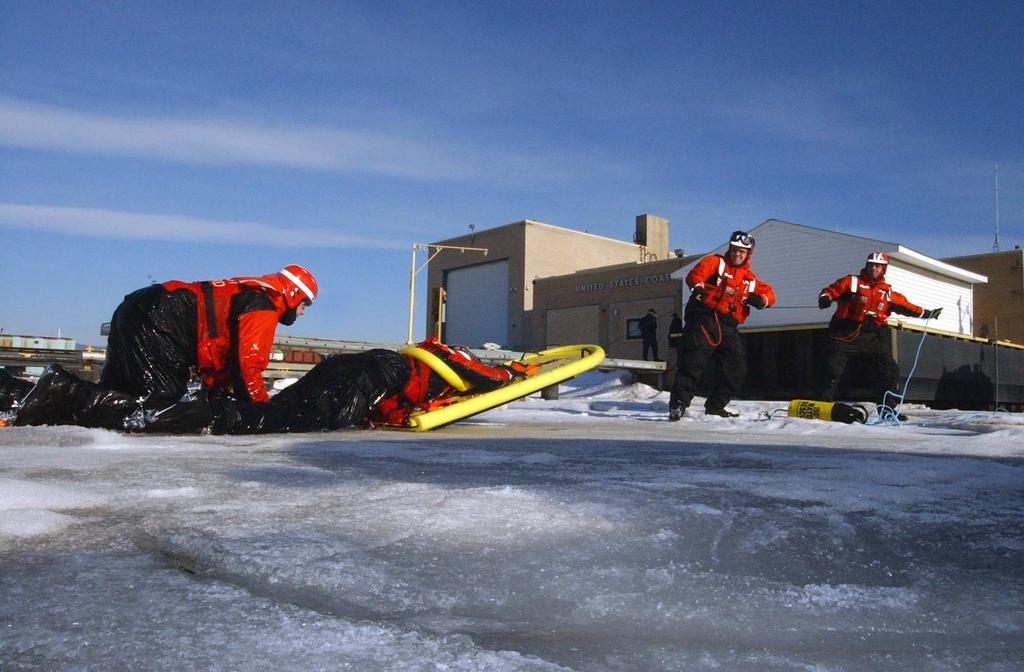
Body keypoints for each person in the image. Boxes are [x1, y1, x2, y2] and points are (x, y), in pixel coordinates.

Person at [100, 264, 318, 407]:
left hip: (143, 305)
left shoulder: (249, 294)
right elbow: (248, 365)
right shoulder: (264, 305)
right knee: (158, 399)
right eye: (305, 304)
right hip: (160, 316)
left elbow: (223, 353)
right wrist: (262, 408)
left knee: (117, 389)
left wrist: (218, 391)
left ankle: (76, 402)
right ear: (293, 294)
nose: (303, 311)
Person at [669, 231, 775, 420]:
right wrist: (699, 290)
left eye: (742, 251)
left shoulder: (749, 279)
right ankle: (678, 404)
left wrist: (761, 300)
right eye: (735, 250)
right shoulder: (715, 263)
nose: (737, 254)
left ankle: (715, 406)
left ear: (748, 254)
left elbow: (769, 294)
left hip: (728, 326)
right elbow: (695, 276)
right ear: (730, 249)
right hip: (704, 318)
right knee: (692, 362)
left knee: (737, 369)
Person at [817, 252, 942, 410]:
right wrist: (825, 298)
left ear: (884, 269)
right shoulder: (851, 282)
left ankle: (887, 409)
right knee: (831, 370)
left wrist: (927, 313)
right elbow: (831, 290)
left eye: (878, 266)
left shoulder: (887, 293)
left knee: (889, 370)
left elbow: (907, 307)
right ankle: (822, 407)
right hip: (844, 334)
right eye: (871, 265)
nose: (874, 268)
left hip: (872, 337)